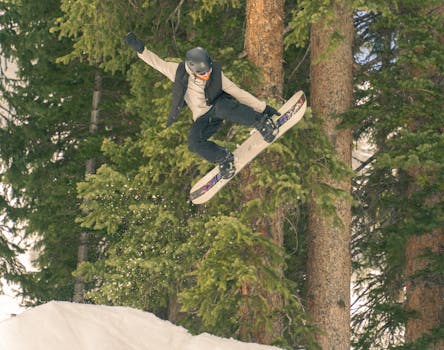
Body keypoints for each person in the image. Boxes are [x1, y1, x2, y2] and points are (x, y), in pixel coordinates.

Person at [125, 32, 279, 179]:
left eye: (208, 71)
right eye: (203, 73)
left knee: (224, 107)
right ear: (192, 70)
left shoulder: (216, 74)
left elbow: (237, 92)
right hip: (203, 117)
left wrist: (263, 108)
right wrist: (141, 50)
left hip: (219, 106)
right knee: (193, 143)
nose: (207, 75)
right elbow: (157, 63)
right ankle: (223, 157)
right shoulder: (177, 71)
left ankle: (262, 122)